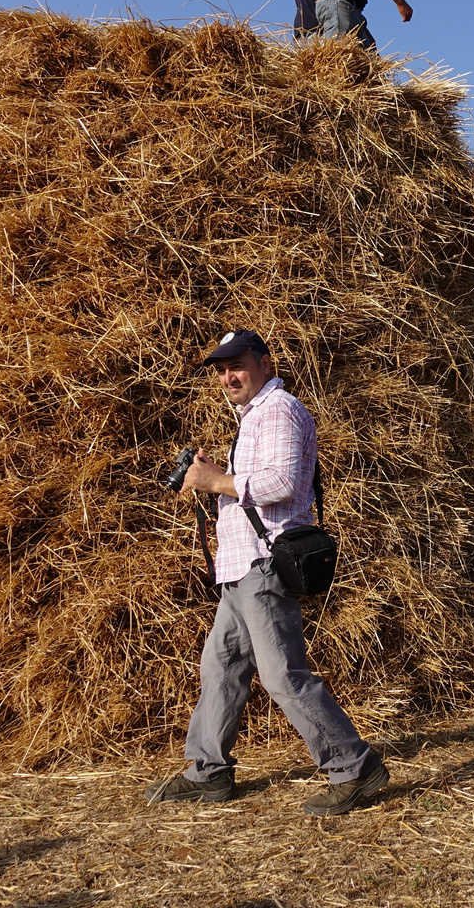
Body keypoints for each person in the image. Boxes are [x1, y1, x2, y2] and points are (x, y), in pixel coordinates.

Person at [145, 328, 389, 817]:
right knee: (221, 667)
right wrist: (220, 476)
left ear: (265, 363)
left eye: (237, 365)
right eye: (220, 369)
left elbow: (283, 481)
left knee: (283, 675)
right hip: (239, 568)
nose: (227, 376)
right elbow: (258, 482)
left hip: (264, 564)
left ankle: (354, 767)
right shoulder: (253, 418)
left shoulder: (278, 409)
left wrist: (216, 479)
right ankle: (208, 772)